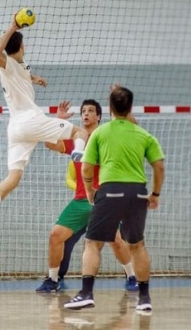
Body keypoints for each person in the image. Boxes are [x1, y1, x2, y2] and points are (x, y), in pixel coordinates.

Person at [0, 12, 89, 238]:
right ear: (22, 46)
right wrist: (12, 26)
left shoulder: (21, 65)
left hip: (16, 129)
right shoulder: (7, 64)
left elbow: (24, 73)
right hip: (30, 120)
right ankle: (78, 154)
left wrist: (35, 78)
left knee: (13, 177)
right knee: (80, 131)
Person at [64, 86, 165, 313]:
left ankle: (86, 293)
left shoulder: (100, 132)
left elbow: (87, 168)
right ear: (130, 108)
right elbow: (158, 166)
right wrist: (155, 194)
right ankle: (145, 298)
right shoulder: (143, 134)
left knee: (92, 244)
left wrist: (90, 191)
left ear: (108, 110)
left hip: (109, 191)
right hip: (138, 192)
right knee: (137, 245)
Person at [35, 100, 138, 293]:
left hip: (103, 199)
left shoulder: (107, 136)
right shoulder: (77, 139)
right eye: (83, 111)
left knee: (115, 239)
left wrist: (119, 101)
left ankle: (132, 277)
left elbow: (132, 127)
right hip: (80, 200)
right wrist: (58, 121)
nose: (86, 114)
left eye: (91, 111)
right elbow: (49, 144)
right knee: (56, 236)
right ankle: (53, 280)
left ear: (99, 116)